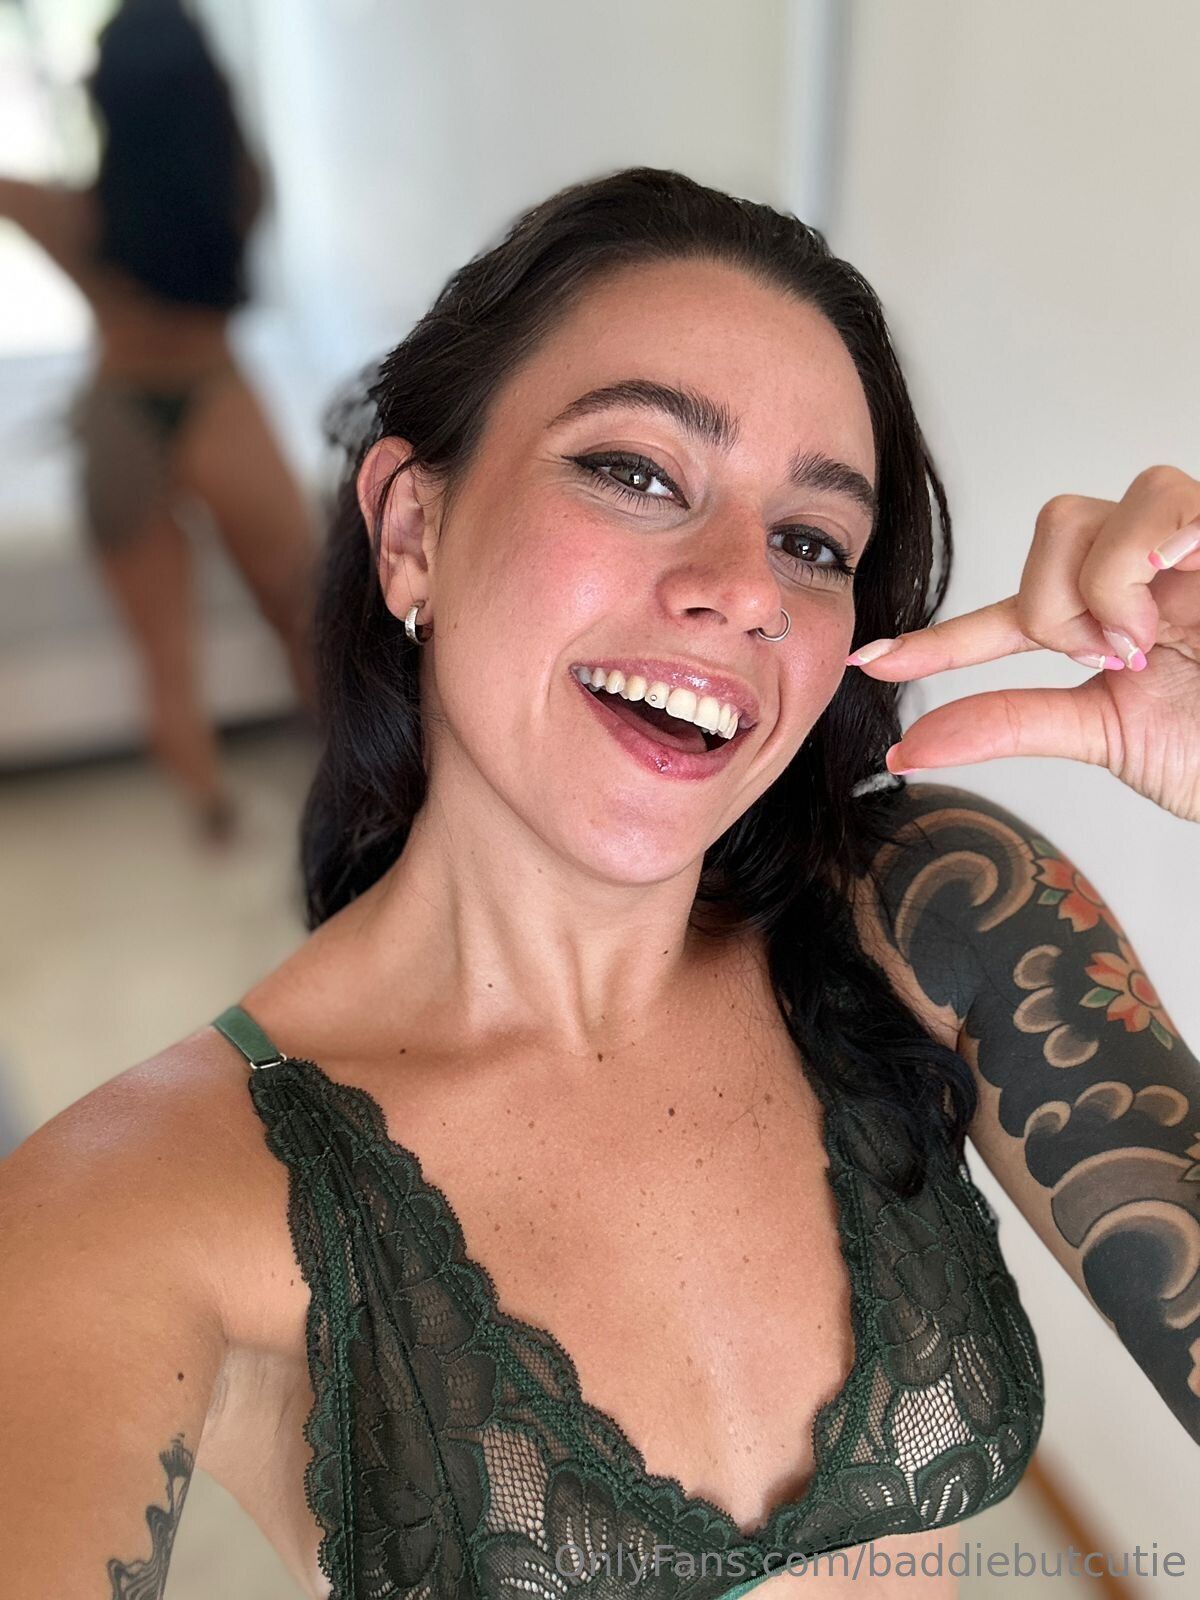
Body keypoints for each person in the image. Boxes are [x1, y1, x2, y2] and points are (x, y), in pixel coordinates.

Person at [1, 167, 1196, 1599]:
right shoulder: (137, 1205)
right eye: (635, 473)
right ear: (413, 530)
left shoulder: (937, 916)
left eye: (811, 542)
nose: (744, 586)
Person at [0, 0, 317, 841]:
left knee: (165, 656)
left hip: (120, 418)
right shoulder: (241, 190)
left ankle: (211, 813)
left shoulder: (74, 216)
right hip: (215, 393)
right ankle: (349, 784)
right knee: (303, 611)